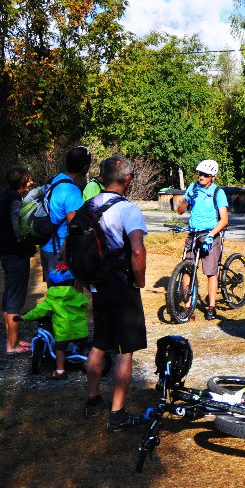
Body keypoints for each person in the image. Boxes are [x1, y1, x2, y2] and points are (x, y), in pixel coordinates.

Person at [83, 155, 149, 432]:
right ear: (128, 179)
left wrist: (82, 278)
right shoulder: (128, 210)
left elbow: (68, 247)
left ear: (102, 177)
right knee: (125, 350)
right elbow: (136, 249)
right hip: (123, 287)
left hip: (98, 286)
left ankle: (92, 400)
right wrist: (140, 280)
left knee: (99, 343)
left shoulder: (87, 206)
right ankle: (117, 413)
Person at [175, 159, 229, 320]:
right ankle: (187, 305)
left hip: (210, 235)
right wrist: (187, 199)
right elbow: (179, 211)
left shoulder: (218, 192)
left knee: (211, 271)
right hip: (193, 234)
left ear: (212, 176)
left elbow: (224, 219)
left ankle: (211, 306)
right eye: (200, 174)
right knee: (187, 269)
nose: (201, 177)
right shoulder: (192, 188)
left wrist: (212, 235)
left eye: (205, 175)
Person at [18, 264, 89, 380]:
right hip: (80, 330)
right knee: (81, 345)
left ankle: (60, 371)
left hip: (63, 331)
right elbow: (84, 306)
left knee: (59, 349)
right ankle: (84, 359)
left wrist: (25, 317)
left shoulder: (52, 299)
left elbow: (39, 311)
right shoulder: (78, 295)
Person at [0, 165, 37, 354]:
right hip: (15, 254)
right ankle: (12, 345)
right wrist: (31, 239)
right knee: (14, 300)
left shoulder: (4, 198)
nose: (31, 182)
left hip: (7, 253)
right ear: (21, 183)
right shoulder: (13, 201)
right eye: (28, 180)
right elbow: (18, 229)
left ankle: (14, 340)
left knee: (9, 297)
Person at [40, 146, 92, 284]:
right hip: (60, 251)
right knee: (65, 297)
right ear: (85, 167)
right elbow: (74, 225)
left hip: (46, 247)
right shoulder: (71, 191)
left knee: (55, 296)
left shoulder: (54, 180)